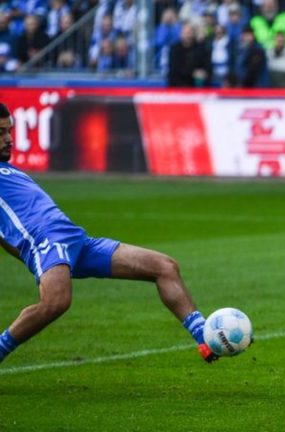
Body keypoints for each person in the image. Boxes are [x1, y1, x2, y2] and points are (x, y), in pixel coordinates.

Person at [0, 103, 219, 364]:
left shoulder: (10, 170)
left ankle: (204, 337)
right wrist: (34, 250)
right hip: (48, 242)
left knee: (164, 266)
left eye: (9, 131)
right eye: (1, 133)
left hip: (77, 241)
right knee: (56, 302)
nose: (9, 139)